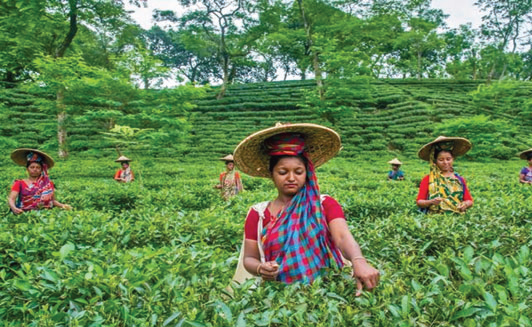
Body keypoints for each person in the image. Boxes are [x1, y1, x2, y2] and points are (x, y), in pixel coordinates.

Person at [232, 123, 379, 296]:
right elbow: (249, 258)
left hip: (328, 289)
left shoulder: (324, 204)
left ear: (307, 173)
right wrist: (260, 268)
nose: (291, 178)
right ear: (272, 174)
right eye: (283, 172)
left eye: (298, 171)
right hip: (280, 295)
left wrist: (358, 260)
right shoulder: (258, 214)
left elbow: (342, 236)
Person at [416, 136, 473, 214]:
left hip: (458, 219)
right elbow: (419, 202)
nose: (445, 162)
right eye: (441, 160)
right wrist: (431, 202)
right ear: (435, 161)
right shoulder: (428, 179)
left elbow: (469, 200)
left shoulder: (459, 179)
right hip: (435, 220)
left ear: (453, 159)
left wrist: (465, 204)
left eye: (448, 159)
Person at [8, 148, 72, 214]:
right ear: (27, 169)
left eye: (38, 167)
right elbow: (11, 199)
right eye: (32, 167)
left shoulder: (48, 184)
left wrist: (63, 206)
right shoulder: (19, 183)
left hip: (45, 214)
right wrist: (14, 208)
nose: (35, 169)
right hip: (24, 214)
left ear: (42, 170)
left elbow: (53, 201)